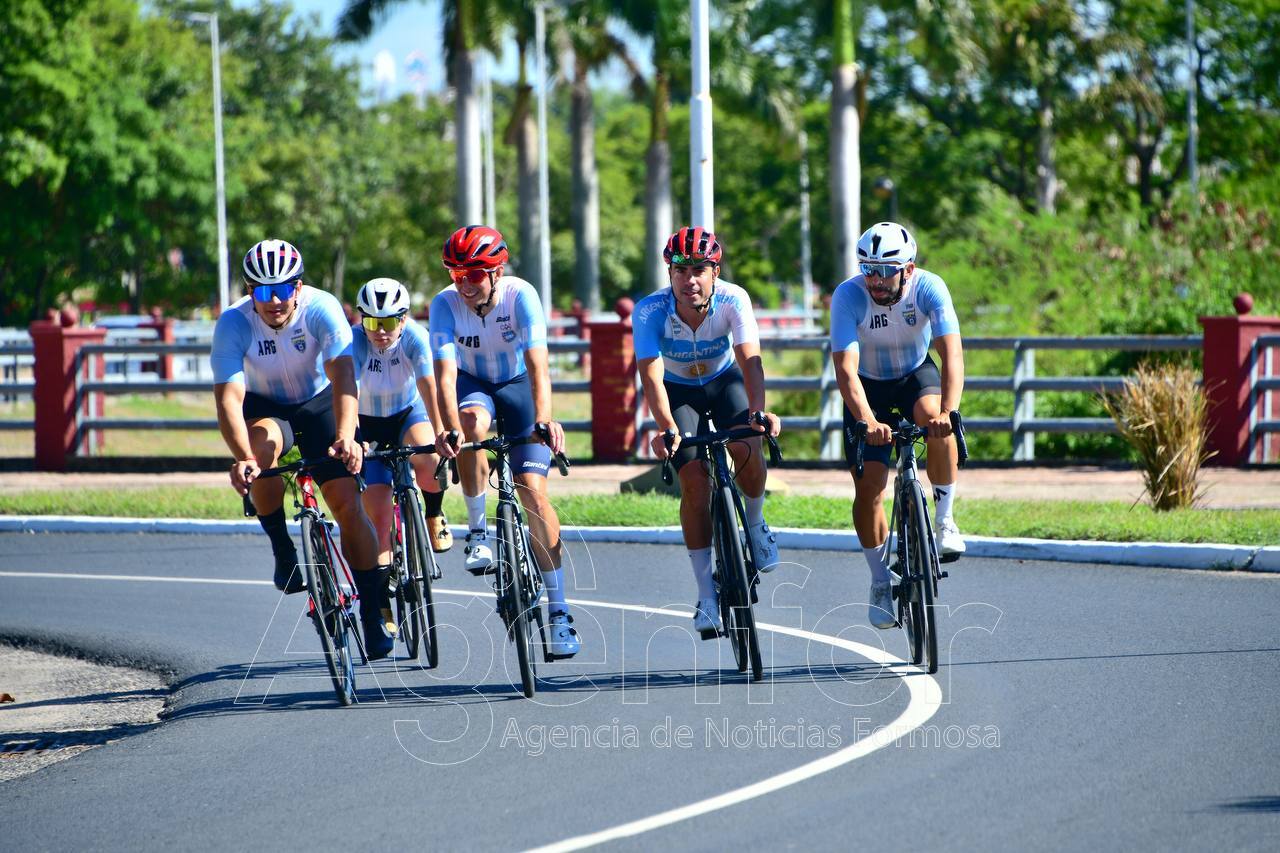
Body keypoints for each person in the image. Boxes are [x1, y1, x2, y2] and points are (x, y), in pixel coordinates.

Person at [210, 239, 395, 659]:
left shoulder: (321, 308)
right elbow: (228, 400)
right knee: (259, 453)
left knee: (347, 505)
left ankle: (371, 609)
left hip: (320, 403)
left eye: (282, 289)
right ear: (249, 290)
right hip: (267, 408)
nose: (273, 300)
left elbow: (344, 376)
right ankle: (281, 545)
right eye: (262, 291)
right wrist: (242, 459)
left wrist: (347, 436)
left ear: (298, 286)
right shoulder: (234, 323)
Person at [429, 225, 581, 659]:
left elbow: (538, 366)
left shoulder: (520, 296)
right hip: (473, 386)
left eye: (474, 275)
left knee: (533, 492)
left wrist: (544, 419)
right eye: (456, 275)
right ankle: (478, 531)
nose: (465, 285)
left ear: (497, 272)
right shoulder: (444, 305)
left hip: (517, 387)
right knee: (470, 423)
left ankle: (559, 612)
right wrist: (448, 428)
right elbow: (445, 377)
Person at [633, 226, 782, 638]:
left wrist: (758, 411)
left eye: (699, 270)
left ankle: (755, 523)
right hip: (678, 391)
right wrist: (666, 427)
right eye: (680, 270)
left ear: (715, 272)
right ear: (670, 273)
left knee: (748, 445)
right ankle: (706, 596)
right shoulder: (649, 310)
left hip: (724, 380)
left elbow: (750, 359)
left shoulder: (734, 299)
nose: (689, 280)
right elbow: (651, 375)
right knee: (695, 482)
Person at [829, 221, 966, 629]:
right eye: (868, 269)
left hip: (913, 375)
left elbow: (951, 354)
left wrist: (949, 411)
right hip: (867, 387)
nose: (875, 279)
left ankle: (944, 520)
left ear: (908, 269)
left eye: (885, 271)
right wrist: (868, 420)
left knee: (937, 419)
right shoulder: (848, 296)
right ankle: (878, 580)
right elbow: (845, 370)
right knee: (869, 487)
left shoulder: (929, 288)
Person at [352, 278, 452, 569]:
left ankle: (434, 512)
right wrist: (354, 436)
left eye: (388, 322)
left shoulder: (416, 337)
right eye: (372, 323)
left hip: (407, 413)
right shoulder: (353, 341)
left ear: (403, 319)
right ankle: (384, 590)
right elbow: (349, 392)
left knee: (430, 457)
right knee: (379, 518)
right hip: (367, 422)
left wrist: (441, 432)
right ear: (362, 320)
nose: (380, 331)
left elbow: (428, 386)